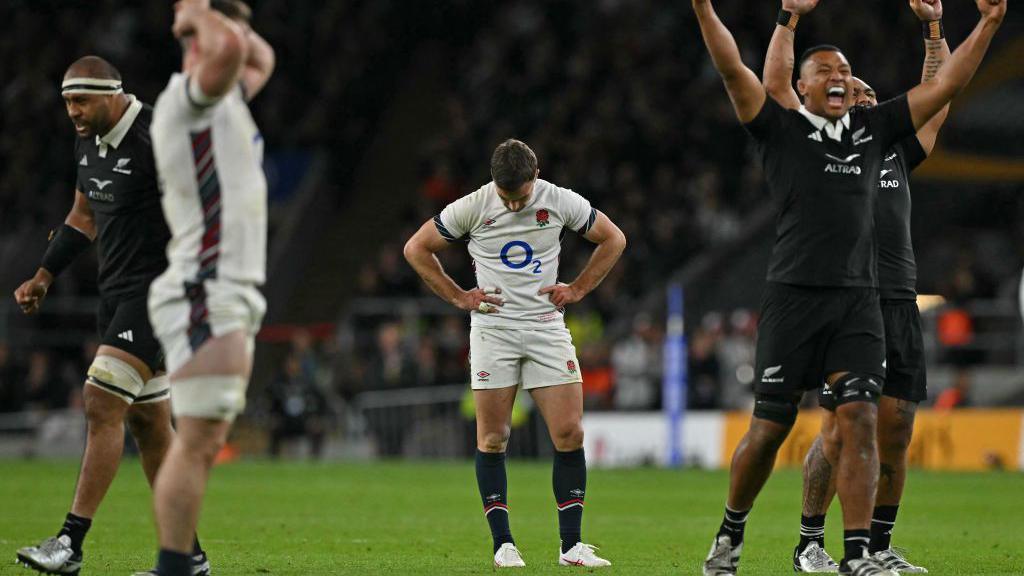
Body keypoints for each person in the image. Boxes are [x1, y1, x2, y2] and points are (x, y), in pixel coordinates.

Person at [691, 0, 1006, 574]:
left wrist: (984, 23)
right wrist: (749, 14)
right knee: (769, 430)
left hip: (864, 300)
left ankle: (860, 553)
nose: (843, 82)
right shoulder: (785, 130)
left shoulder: (880, 137)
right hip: (795, 297)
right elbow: (738, 70)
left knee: (863, 418)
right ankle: (735, 533)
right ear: (801, 90)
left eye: (848, 75)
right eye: (827, 75)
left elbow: (946, 86)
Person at [761, 1, 952, 572]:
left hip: (898, 298)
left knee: (896, 431)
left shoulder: (898, 151)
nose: (866, 103)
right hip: (847, 300)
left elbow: (938, 90)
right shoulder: (821, 151)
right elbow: (779, 91)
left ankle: (879, 548)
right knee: (841, 430)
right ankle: (810, 541)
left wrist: (934, 28)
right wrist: (789, 20)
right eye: (858, 97)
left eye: (871, 98)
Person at [13, 56, 211, 576]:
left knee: (101, 400)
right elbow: (83, 216)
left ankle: (69, 543)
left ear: (111, 95)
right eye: (66, 103)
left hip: (161, 294)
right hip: (117, 293)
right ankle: (186, 555)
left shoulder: (157, 139)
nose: (72, 112)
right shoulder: (88, 140)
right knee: (149, 424)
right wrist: (44, 276)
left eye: (80, 101)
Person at [403, 138, 626, 568]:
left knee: (570, 434)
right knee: (492, 438)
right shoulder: (472, 206)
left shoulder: (558, 200)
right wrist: (458, 297)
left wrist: (577, 288)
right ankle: (503, 544)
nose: (511, 205)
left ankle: (571, 547)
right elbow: (416, 248)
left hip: (545, 327)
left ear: (535, 175)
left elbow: (613, 239)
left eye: (519, 197)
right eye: (505, 197)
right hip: (493, 329)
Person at [135, 1, 274, 574]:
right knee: (195, 440)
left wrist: (220, 16)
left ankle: (180, 564)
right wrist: (196, 11)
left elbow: (258, 55)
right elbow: (239, 50)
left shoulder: (225, 100)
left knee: (202, 438)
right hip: (204, 285)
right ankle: (177, 566)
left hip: (225, 286)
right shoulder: (186, 101)